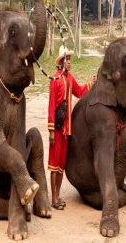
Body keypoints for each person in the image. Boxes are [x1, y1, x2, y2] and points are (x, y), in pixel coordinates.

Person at [48, 46, 96, 210]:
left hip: (67, 130)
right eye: (67, 60)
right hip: (57, 129)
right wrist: (51, 130)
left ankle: (58, 195)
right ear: (61, 62)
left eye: (70, 59)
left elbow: (80, 91)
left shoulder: (69, 79)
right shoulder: (55, 80)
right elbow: (51, 106)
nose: (69, 62)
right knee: (54, 164)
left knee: (61, 165)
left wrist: (92, 83)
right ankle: (53, 198)